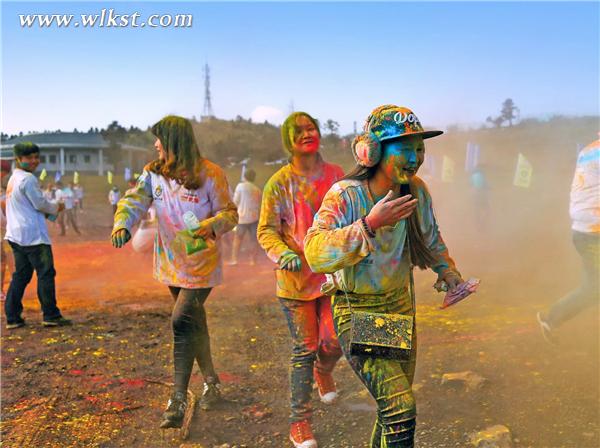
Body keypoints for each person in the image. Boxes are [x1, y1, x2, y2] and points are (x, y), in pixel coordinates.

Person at [304, 105, 463, 448]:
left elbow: (430, 237)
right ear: (372, 151)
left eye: (419, 148)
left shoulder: (415, 190)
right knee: (401, 410)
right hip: (359, 312)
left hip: (400, 308)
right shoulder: (346, 194)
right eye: (405, 148)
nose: (415, 157)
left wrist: (447, 271)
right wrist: (369, 224)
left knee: (392, 411)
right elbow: (314, 251)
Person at [111, 115, 238, 429]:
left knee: (181, 320)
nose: (155, 145)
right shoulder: (153, 174)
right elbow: (134, 201)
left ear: (175, 142)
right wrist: (122, 224)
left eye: (160, 140)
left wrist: (208, 226)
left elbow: (229, 214)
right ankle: (212, 383)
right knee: (193, 323)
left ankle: (177, 399)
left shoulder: (211, 174)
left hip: (201, 263)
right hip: (170, 262)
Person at [257, 112, 344, 448]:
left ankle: (325, 370)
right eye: (301, 130)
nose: (309, 134)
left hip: (334, 276)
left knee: (335, 340)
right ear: (289, 140)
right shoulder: (279, 183)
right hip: (295, 282)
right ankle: (300, 423)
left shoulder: (337, 175)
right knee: (304, 350)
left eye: (313, 128)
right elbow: (266, 229)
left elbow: (352, 210)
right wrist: (283, 253)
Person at [537, 138, 599, 344]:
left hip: (584, 230)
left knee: (592, 287)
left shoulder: (588, 150)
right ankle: (552, 318)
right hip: (594, 232)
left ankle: (552, 319)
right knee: (594, 288)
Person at [4, 142, 71, 329]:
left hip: (16, 235)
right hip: (32, 236)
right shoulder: (28, 179)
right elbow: (40, 204)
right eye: (29, 158)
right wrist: (58, 206)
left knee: (21, 275)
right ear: (18, 159)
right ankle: (51, 314)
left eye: (36, 157)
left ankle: (12, 317)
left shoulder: (13, 179)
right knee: (46, 273)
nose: (34, 161)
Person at [229, 168, 262, 265]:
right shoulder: (257, 190)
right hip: (254, 218)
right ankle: (253, 260)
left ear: (244, 176)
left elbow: (235, 201)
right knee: (253, 240)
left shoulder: (240, 186)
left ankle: (234, 259)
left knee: (238, 239)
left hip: (242, 218)